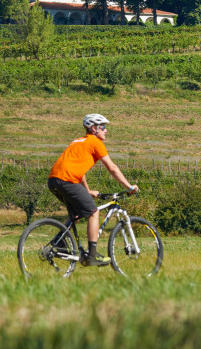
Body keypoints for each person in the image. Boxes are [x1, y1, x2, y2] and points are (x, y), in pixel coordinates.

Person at [47, 113, 138, 266]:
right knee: (93, 212)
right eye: (103, 127)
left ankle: (59, 243)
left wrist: (87, 191)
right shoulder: (95, 143)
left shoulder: (78, 141)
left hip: (54, 181)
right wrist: (129, 187)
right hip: (67, 181)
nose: (106, 131)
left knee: (76, 214)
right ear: (94, 129)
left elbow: (78, 171)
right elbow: (112, 168)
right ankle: (92, 255)